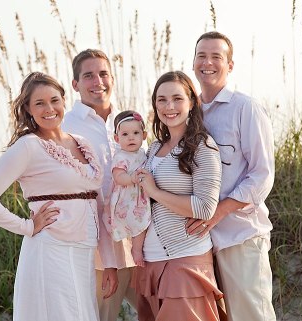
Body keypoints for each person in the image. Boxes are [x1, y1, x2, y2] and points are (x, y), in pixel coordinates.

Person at [0, 72, 108, 321]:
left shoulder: (82, 142)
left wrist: (107, 258)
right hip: (51, 249)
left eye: (54, 100)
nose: (49, 109)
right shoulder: (28, 146)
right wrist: (28, 226)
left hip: (85, 250)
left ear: (64, 101)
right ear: (28, 109)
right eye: (39, 103)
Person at [187, 31, 276, 320]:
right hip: (198, 242)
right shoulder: (189, 112)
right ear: (193, 63)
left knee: (251, 315)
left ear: (230, 65)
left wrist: (219, 212)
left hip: (240, 235)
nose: (208, 62)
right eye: (202, 56)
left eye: (216, 56)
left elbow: (262, 174)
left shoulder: (245, 108)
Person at [134, 71, 223, 321]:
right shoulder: (153, 148)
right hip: (151, 262)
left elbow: (205, 207)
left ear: (192, 102)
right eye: (161, 100)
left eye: (177, 98)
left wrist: (154, 192)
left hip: (186, 258)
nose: (169, 106)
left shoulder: (202, 146)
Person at [62, 49, 137, 321]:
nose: (98, 81)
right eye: (88, 76)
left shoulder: (129, 122)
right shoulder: (66, 126)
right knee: (101, 315)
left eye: (103, 74)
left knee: (160, 309)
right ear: (75, 84)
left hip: (138, 240)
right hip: (96, 247)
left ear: (113, 78)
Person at [103, 110, 151, 267]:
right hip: (127, 198)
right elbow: (118, 177)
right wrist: (131, 178)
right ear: (117, 139)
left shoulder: (144, 153)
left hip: (141, 196)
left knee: (143, 222)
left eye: (136, 133)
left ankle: (140, 248)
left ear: (144, 136)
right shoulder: (120, 157)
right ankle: (136, 250)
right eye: (125, 134)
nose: (131, 137)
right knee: (138, 223)